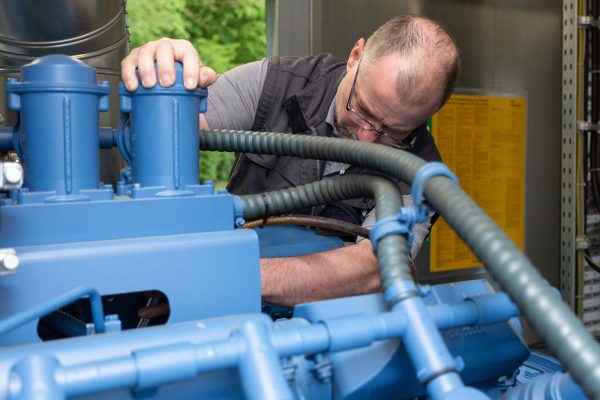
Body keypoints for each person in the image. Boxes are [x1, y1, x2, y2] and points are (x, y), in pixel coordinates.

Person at [121, 15, 460, 307]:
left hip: (332, 335)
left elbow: (378, 266)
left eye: (394, 132)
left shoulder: (421, 169)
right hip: (221, 307)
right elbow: (164, 136)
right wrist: (160, 84)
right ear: (356, 56)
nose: (368, 138)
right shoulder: (273, 83)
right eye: (363, 112)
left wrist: (227, 276)